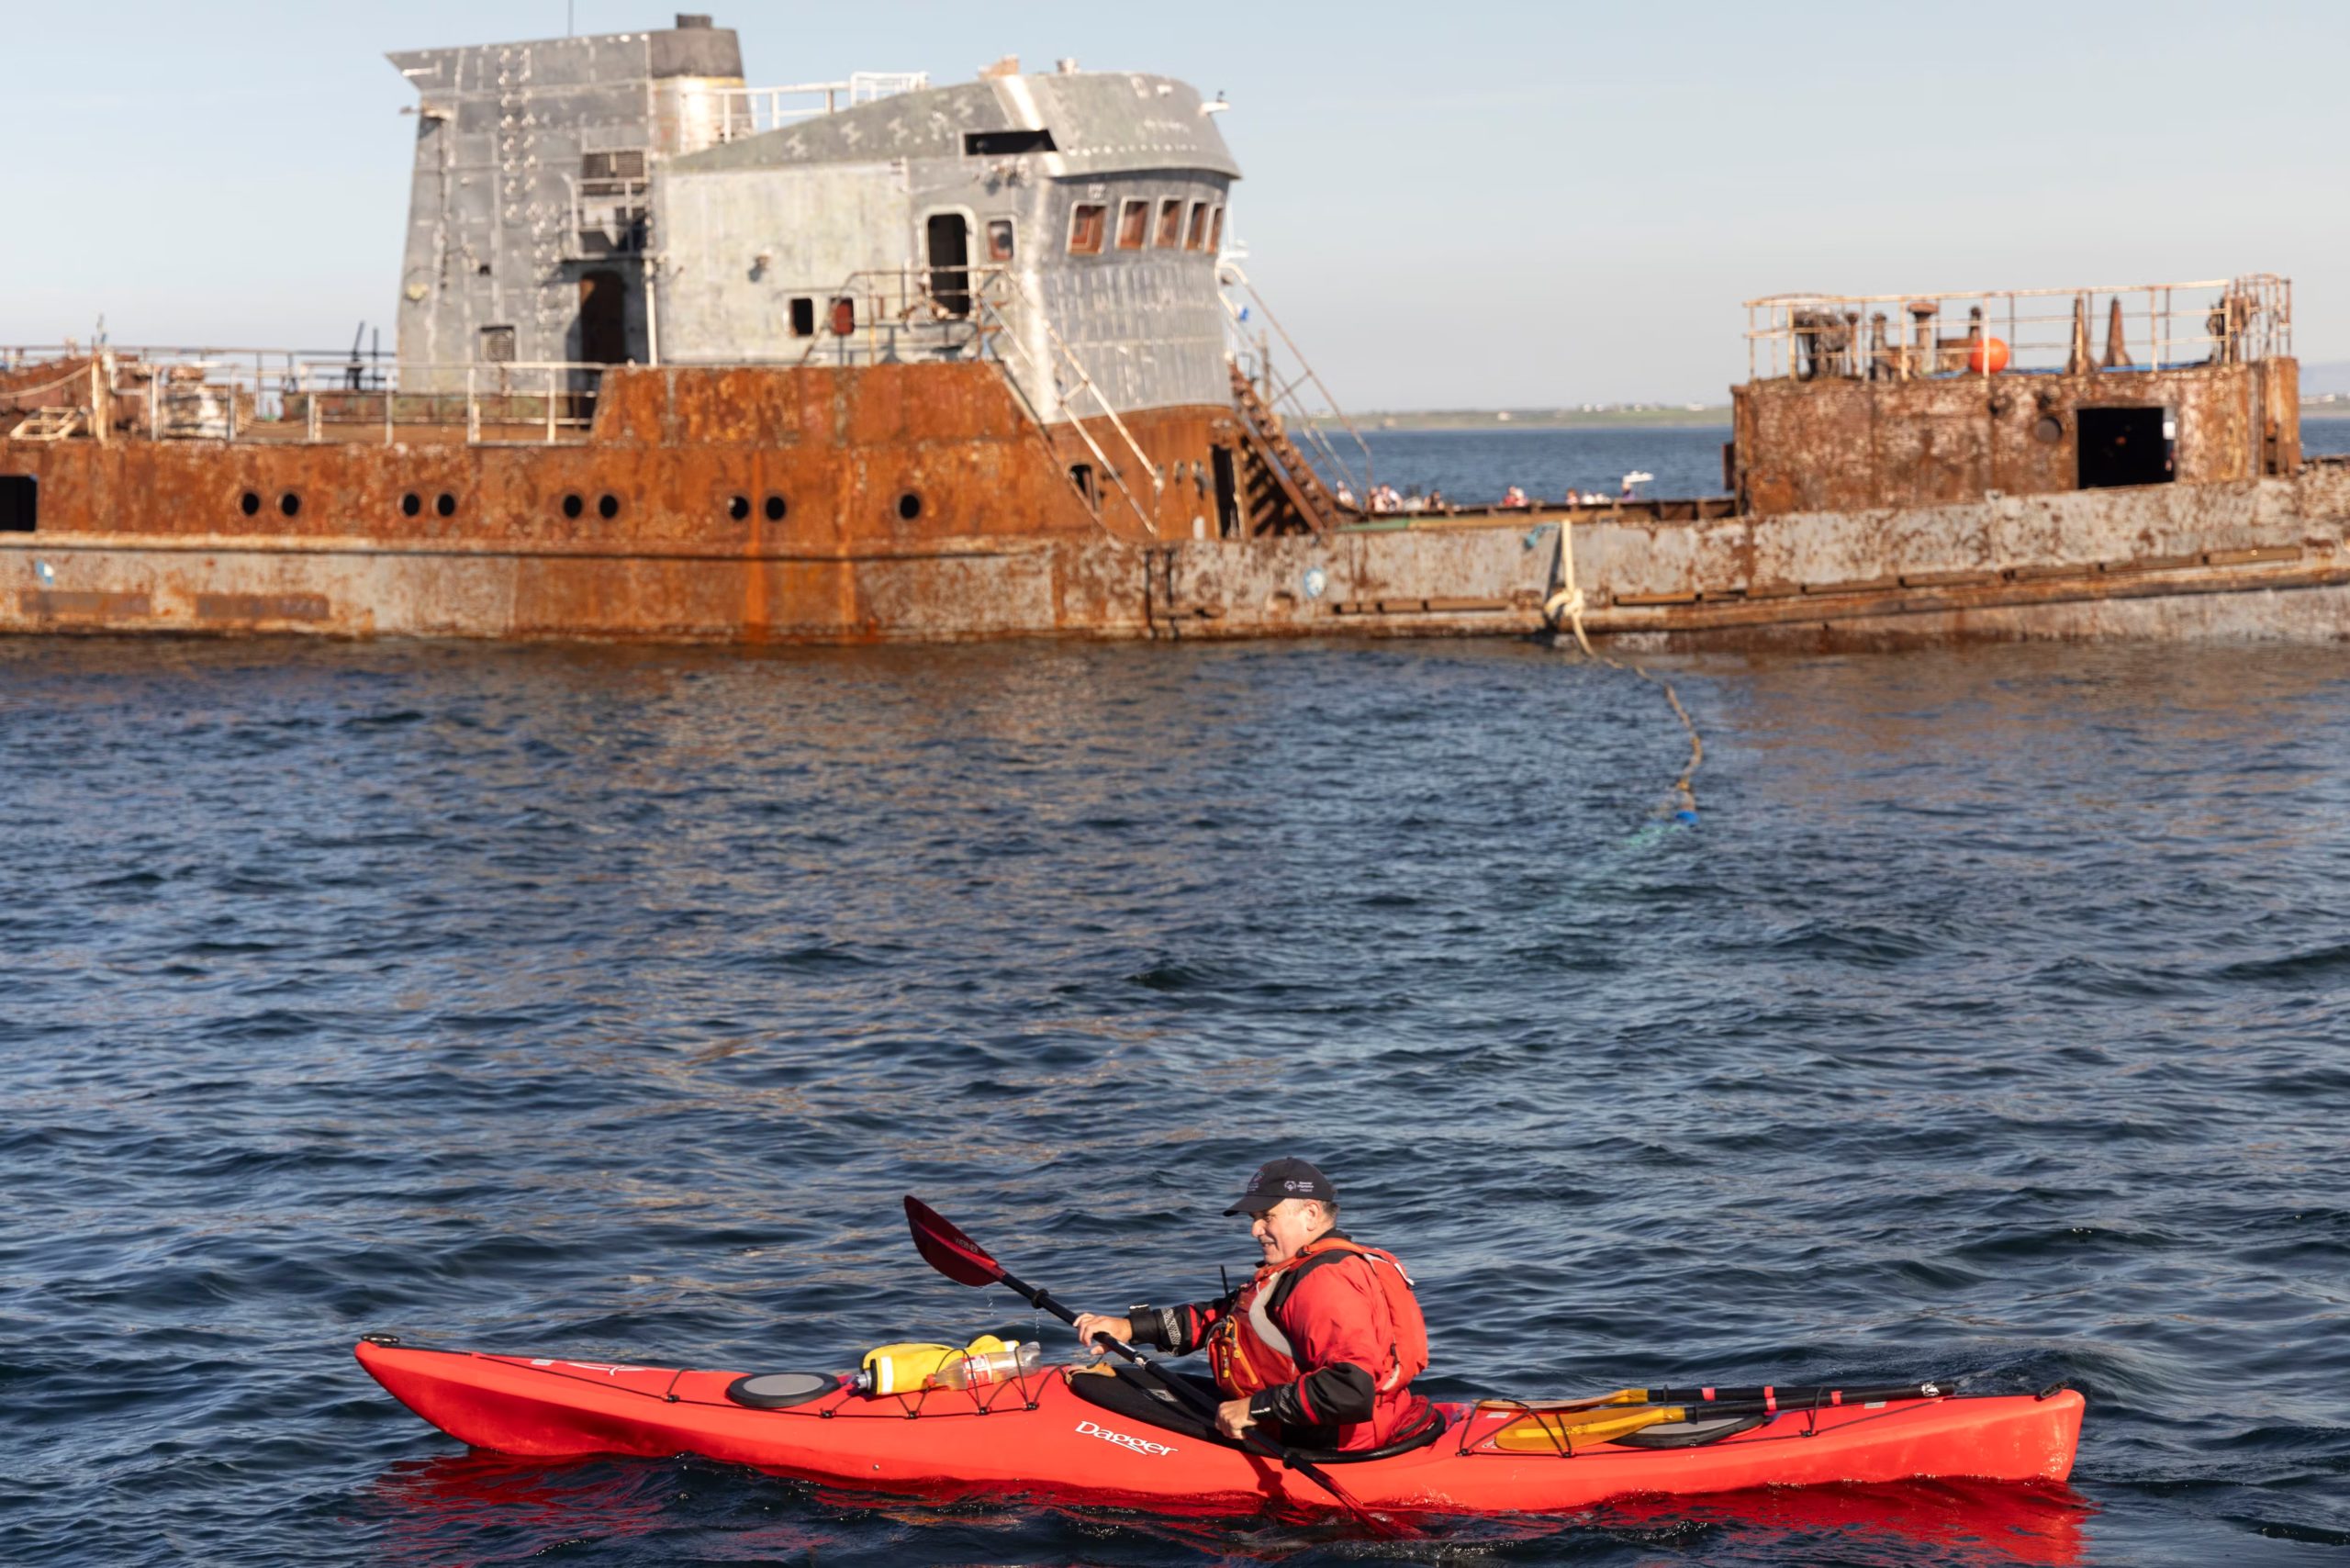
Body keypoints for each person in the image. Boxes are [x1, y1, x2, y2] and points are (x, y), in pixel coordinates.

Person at [1072, 1159, 1432, 1453]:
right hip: (1302, 1423)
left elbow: (1349, 1391)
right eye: (1253, 1219)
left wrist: (1252, 1409)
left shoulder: (1325, 1281)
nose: (1255, 1231)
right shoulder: (1300, 1268)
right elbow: (1222, 1318)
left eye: (1267, 1217)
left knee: (1107, 1393)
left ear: (1309, 1213)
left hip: (1326, 1444)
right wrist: (1129, 1329)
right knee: (1124, 1383)